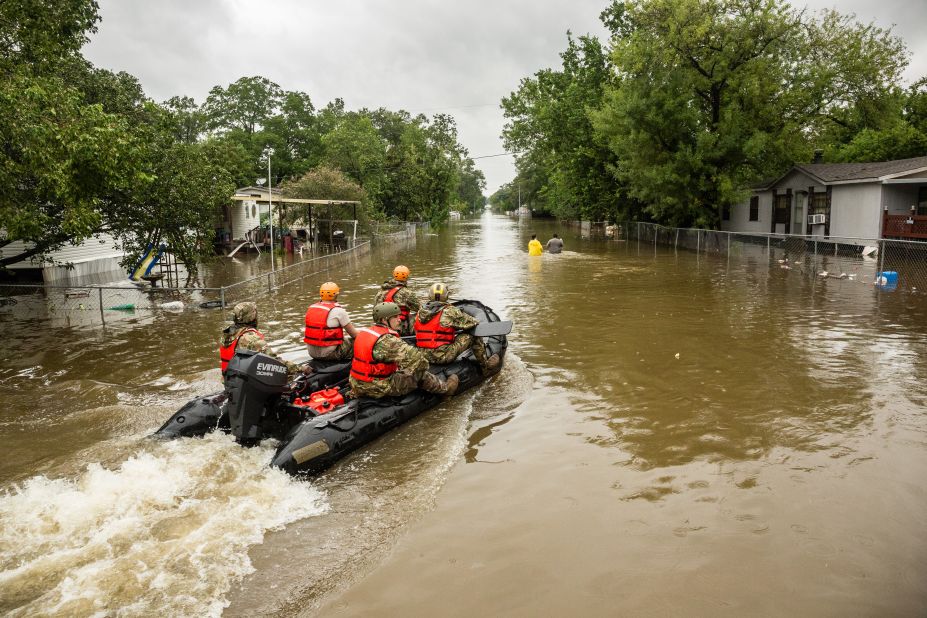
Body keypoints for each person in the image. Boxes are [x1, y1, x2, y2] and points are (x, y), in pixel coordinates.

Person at [349, 302, 459, 399]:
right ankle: (446, 390)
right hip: (379, 387)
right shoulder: (388, 341)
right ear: (384, 320)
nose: (399, 319)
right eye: (395, 317)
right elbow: (419, 361)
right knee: (421, 374)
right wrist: (412, 371)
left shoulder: (364, 332)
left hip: (355, 383)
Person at [413, 282, 500, 373]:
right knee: (473, 335)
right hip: (443, 357)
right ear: (446, 296)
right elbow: (473, 322)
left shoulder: (420, 312)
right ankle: (485, 367)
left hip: (423, 356)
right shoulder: (450, 311)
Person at [219, 301, 304, 377]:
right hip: (245, 383)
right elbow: (274, 362)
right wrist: (299, 368)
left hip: (228, 379)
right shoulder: (251, 338)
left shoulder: (227, 334)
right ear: (251, 317)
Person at [303, 281, 358, 361]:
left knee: (344, 339)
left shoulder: (311, 308)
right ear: (336, 294)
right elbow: (355, 335)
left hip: (312, 353)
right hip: (330, 355)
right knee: (357, 341)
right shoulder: (339, 311)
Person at [373, 265, 421, 336]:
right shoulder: (407, 293)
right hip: (399, 327)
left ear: (393, 274)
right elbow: (421, 308)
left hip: (381, 326)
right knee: (421, 315)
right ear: (407, 276)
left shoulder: (381, 291)